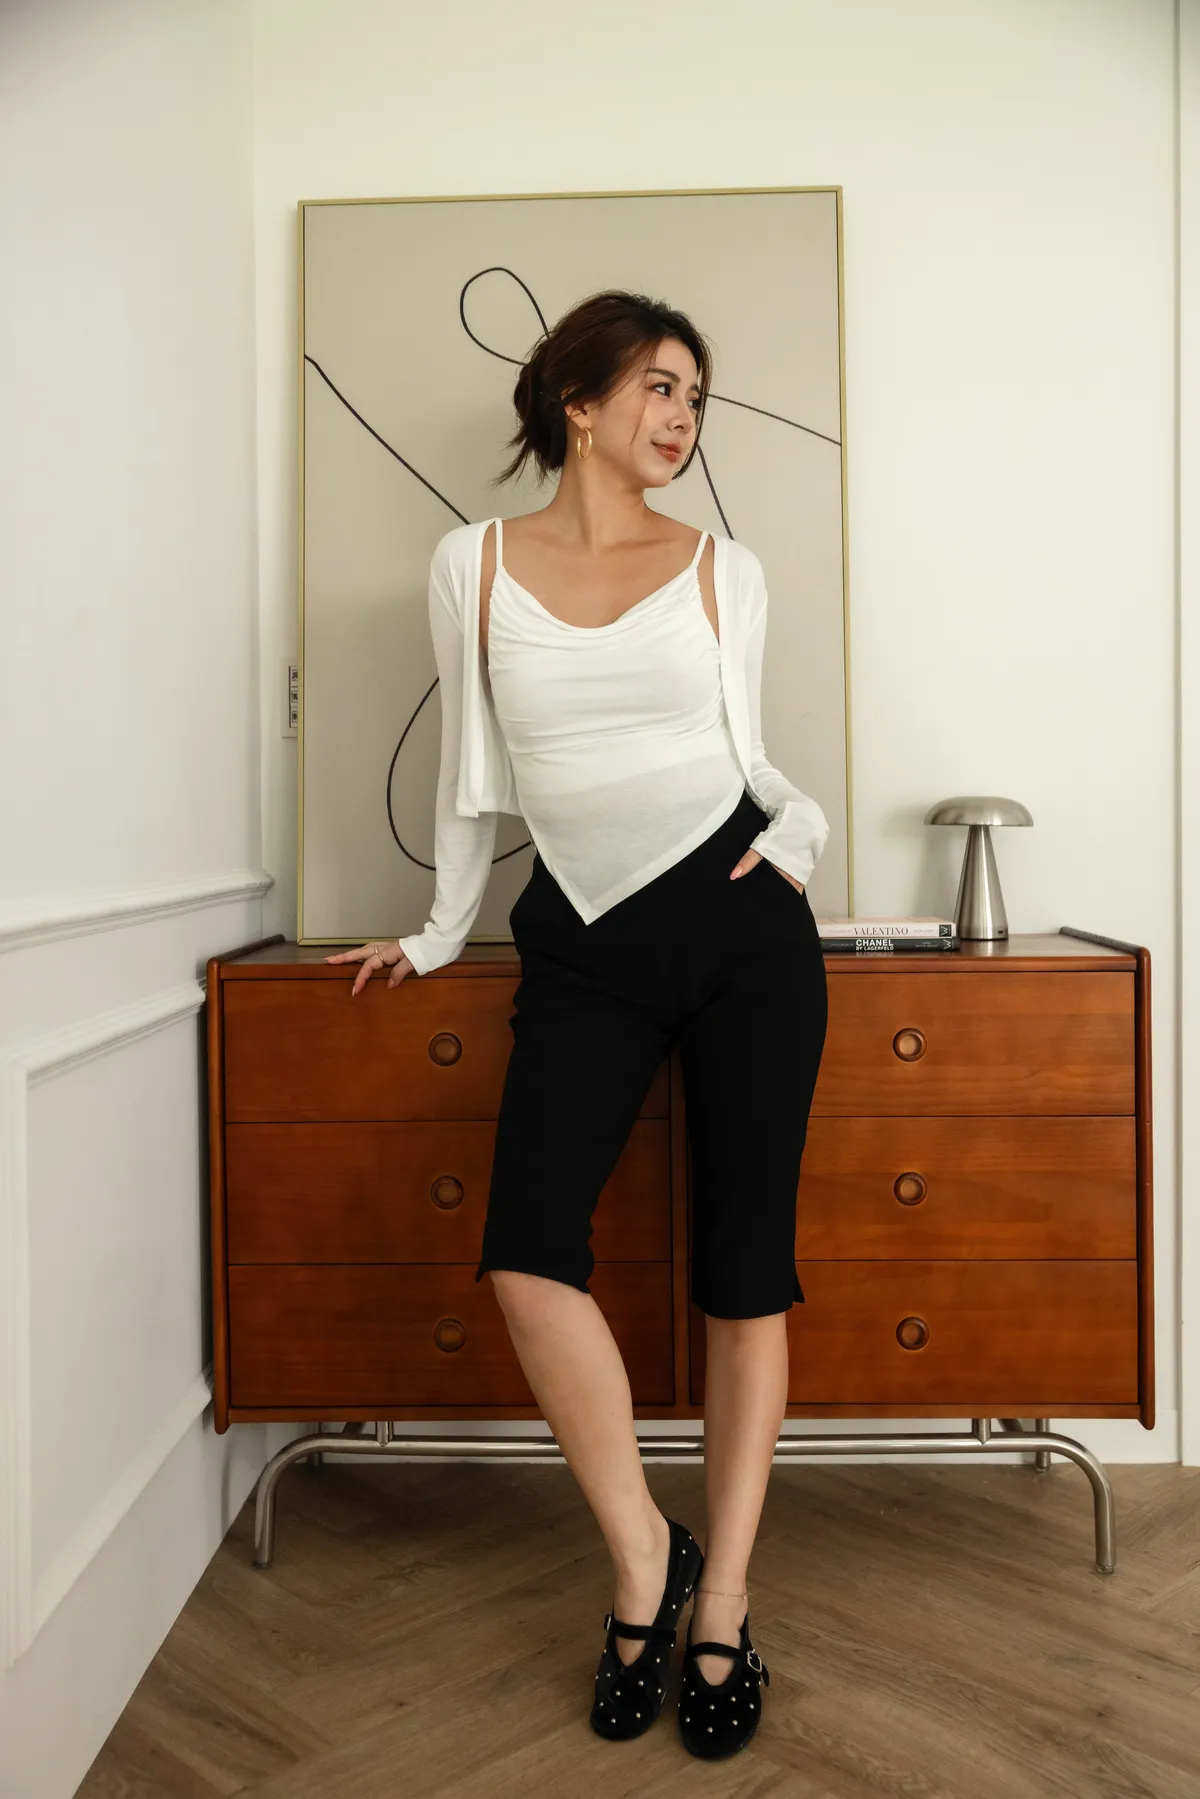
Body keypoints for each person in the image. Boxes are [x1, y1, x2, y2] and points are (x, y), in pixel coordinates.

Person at [326, 289, 829, 1760]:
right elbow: (471, 771)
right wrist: (436, 933)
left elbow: (756, 761)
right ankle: (643, 1558)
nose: (682, 418)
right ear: (580, 401)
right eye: (661, 387)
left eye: (696, 399)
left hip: (741, 930)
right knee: (526, 1254)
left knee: (745, 1273)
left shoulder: (726, 569)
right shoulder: (472, 563)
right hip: (583, 939)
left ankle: (723, 1602)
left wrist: (797, 839)